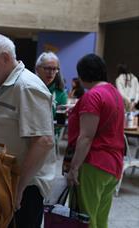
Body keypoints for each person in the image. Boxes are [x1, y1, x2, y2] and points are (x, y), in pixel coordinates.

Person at [0, 33, 56, 228]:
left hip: (22, 190)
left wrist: (19, 188)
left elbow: (43, 141)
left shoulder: (26, 86)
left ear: (5, 58)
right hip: (5, 182)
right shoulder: (7, 85)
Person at [66, 54, 125, 228]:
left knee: (85, 218)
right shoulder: (114, 92)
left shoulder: (93, 96)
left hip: (93, 164)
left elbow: (86, 136)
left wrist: (74, 168)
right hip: (112, 166)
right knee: (100, 219)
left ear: (82, 75)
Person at [35, 51, 68, 118]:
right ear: (37, 69)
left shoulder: (61, 93)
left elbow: (60, 120)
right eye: (47, 68)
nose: (51, 72)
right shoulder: (29, 88)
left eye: (54, 69)